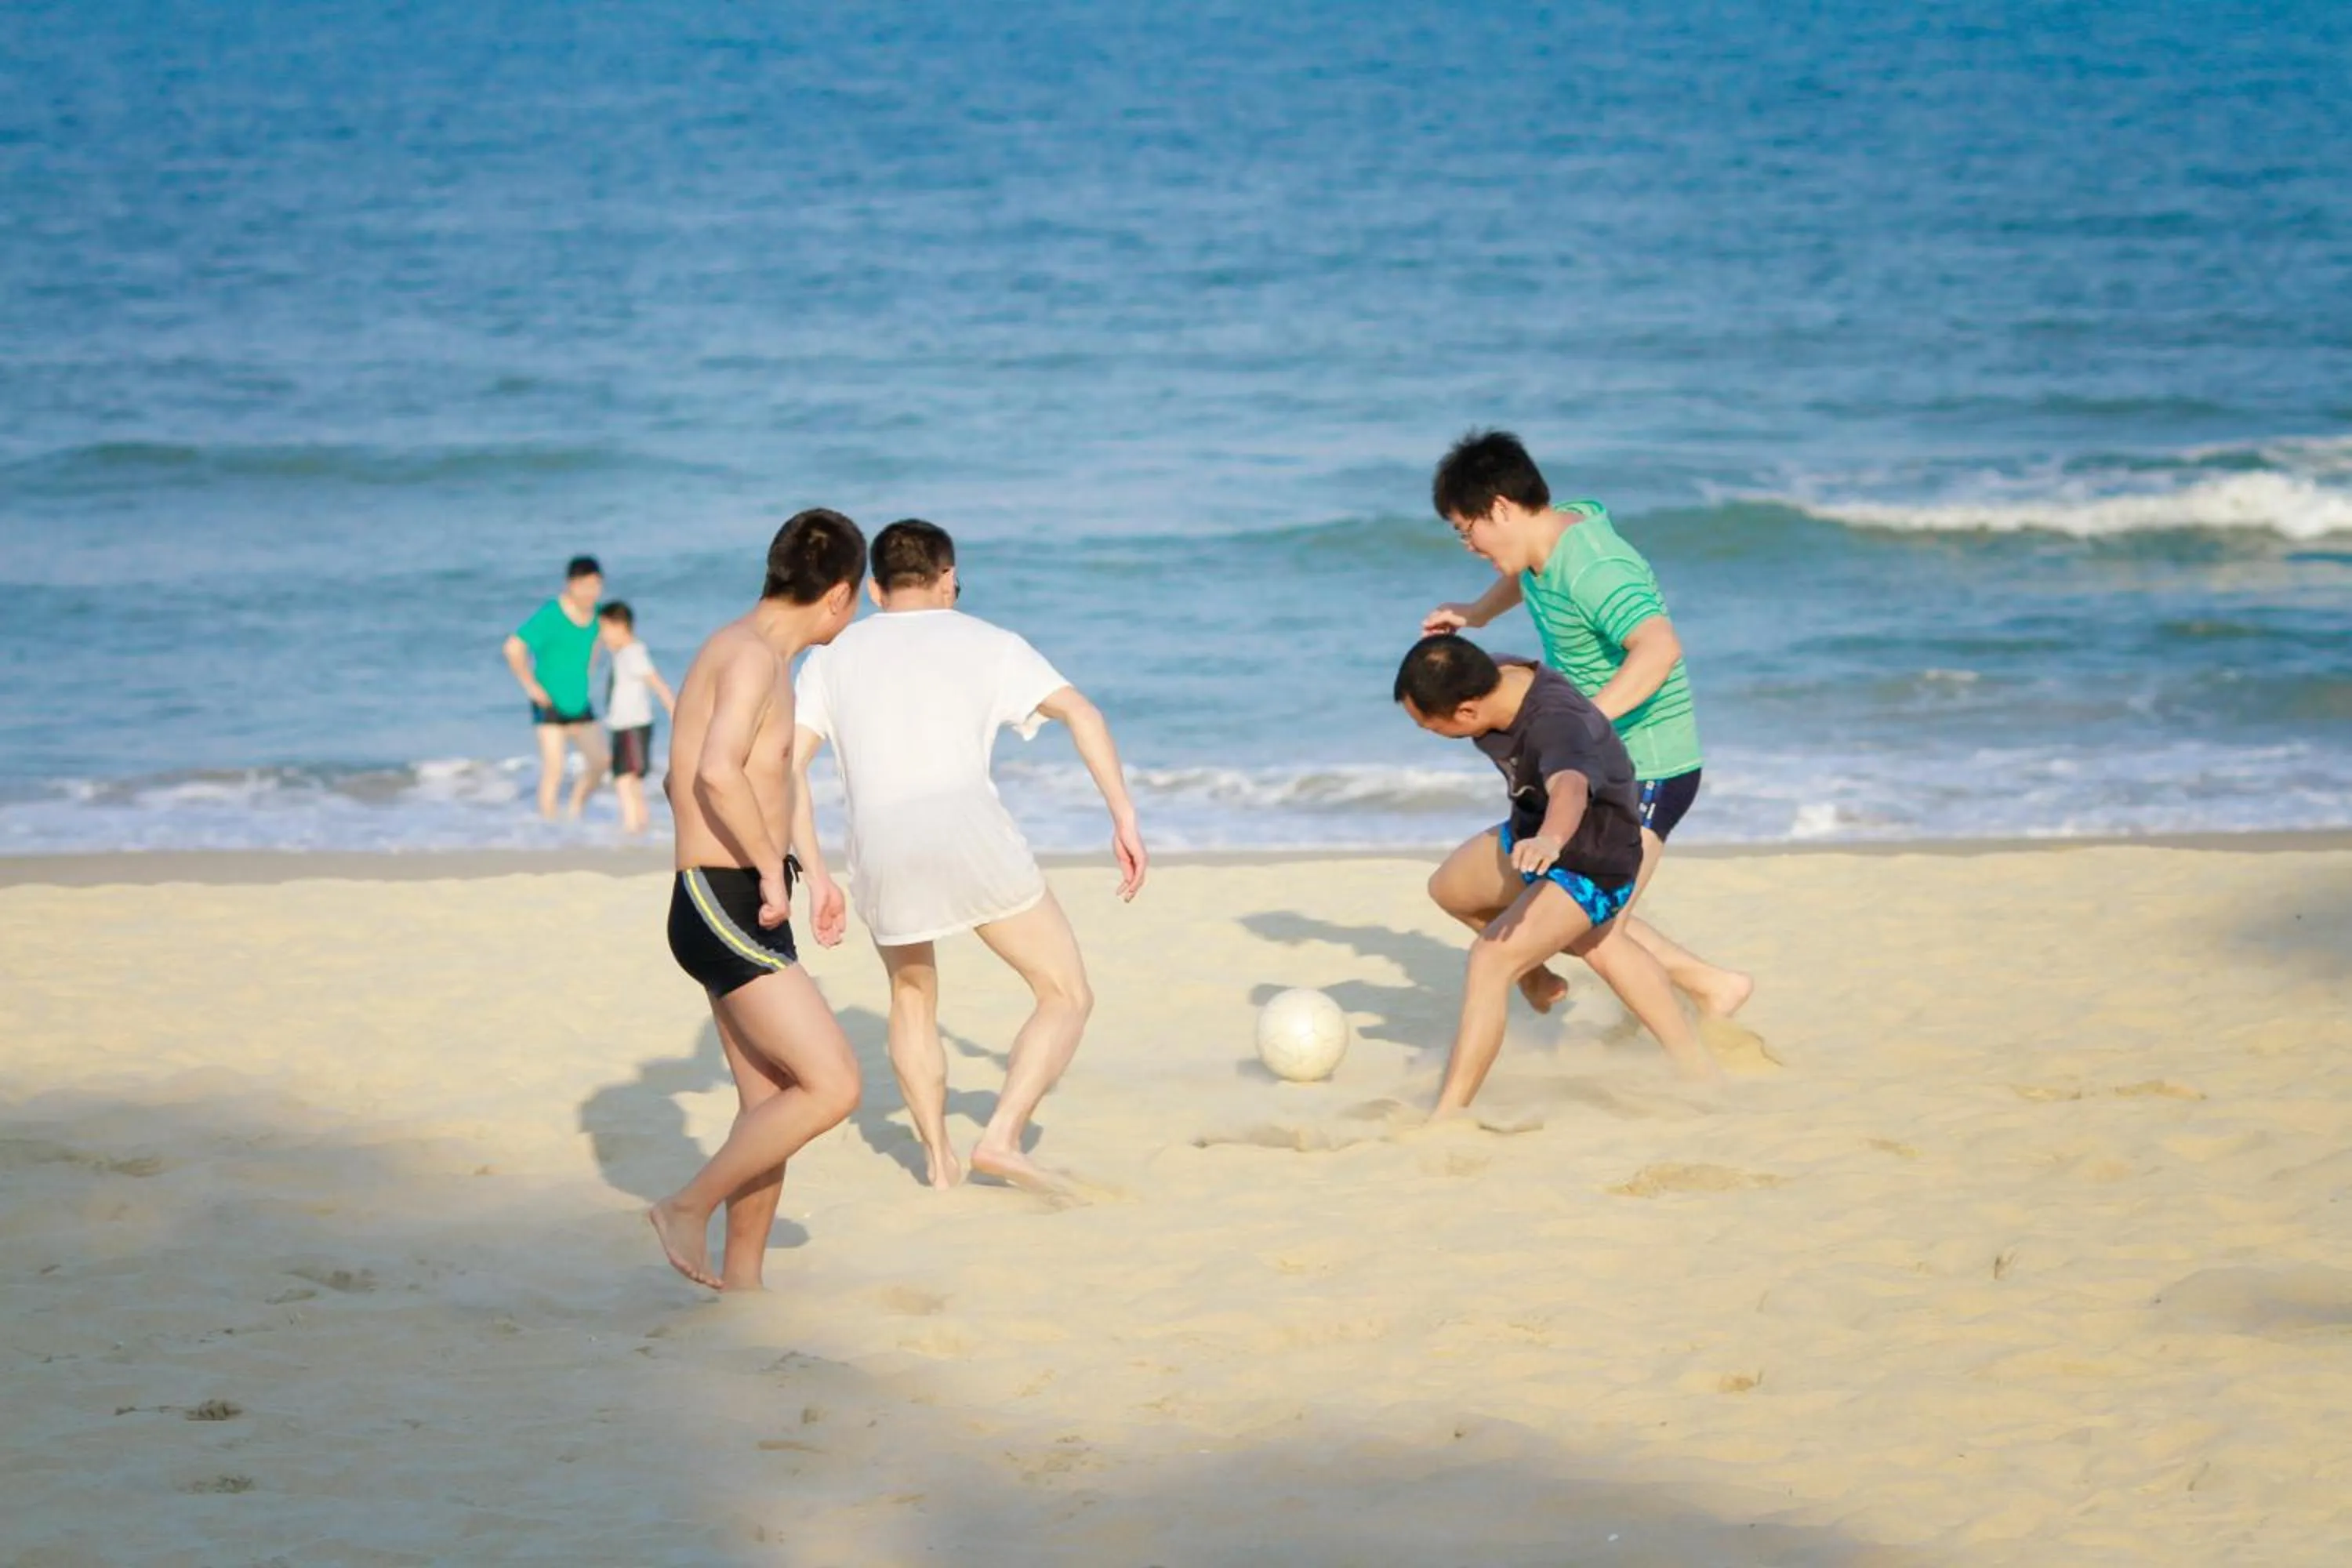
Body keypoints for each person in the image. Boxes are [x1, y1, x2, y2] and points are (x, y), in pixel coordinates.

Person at [788, 519, 1147, 1195]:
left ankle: (940, 1166)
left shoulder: (832, 657)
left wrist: (816, 875)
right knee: (1065, 991)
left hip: (882, 845)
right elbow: (1084, 714)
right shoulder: (992, 642)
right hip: (968, 833)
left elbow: (787, 769)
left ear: (874, 589)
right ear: (948, 578)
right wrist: (1123, 817)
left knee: (911, 997)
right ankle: (1003, 1137)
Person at [1422, 431, 1751, 1020]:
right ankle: (1709, 985)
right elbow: (1525, 576)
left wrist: (1581, 722)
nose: (1467, 544)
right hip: (1604, 760)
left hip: (1652, 766)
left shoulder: (1592, 564)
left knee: (1596, 930)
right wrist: (1476, 613)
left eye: (1465, 529)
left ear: (1498, 507)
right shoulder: (1544, 541)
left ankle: (1701, 1027)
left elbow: (1658, 648)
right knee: (1583, 919)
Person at [644, 509, 868, 1292]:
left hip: (734, 897)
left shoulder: (761, 656)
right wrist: (768, 873)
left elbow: (769, 775)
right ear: (838, 594)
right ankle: (685, 1204)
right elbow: (711, 773)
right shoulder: (745, 656)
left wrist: (814, 868)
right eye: (860, 598)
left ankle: (742, 1286)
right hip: (723, 901)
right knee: (835, 1084)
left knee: (770, 1105)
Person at [1396, 633, 1720, 1109]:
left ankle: (1448, 1114)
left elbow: (1568, 786)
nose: (1430, 734)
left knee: (1493, 960)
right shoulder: (1495, 675)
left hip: (1594, 855)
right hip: (1531, 834)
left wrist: (1551, 839)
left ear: (1466, 713)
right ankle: (1541, 979)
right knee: (1449, 889)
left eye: (1430, 726)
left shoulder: (1556, 725)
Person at [503, 555, 612, 821]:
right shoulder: (551, 614)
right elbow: (513, 647)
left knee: (601, 762)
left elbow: (601, 645)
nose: (590, 592)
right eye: (584, 585)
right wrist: (530, 686)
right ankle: (549, 831)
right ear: (570, 585)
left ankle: (576, 806)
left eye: (596, 586)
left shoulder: (598, 616)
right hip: (548, 702)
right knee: (555, 768)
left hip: (580, 702)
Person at [597, 601, 676, 836]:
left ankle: (632, 825)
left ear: (620, 626)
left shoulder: (633, 652)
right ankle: (640, 823)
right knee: (629, 779)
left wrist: (672, 708)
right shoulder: (623, 653)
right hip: (622, 725)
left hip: (633, 725)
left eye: (604, 630)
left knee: (624, 778)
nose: (602, 636)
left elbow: (656, 682)